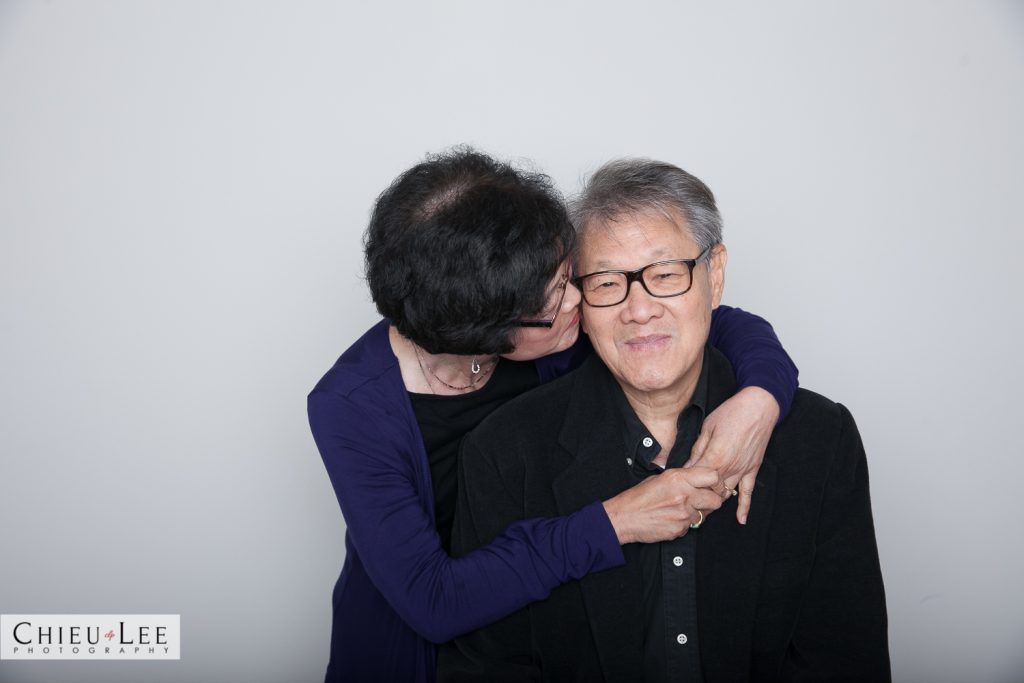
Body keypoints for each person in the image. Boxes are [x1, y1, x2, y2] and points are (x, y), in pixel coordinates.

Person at [307, 149, 800, 682]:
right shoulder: (350, 407)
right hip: (415, 661)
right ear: (481, 332)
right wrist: (615, 522)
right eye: (552, 300)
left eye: (567, 276)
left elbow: (710, 320)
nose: (577, 302)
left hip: (533, 637)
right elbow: (434, 602)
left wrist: (760, 401)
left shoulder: (555, 326)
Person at [439, 158, 889, 682]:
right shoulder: (504, 450)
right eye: (607, 282)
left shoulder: (820, 438)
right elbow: (486, 666)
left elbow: (844, 659)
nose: (639, 309)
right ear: (579, 299)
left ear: (714, 276)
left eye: (666, 275)